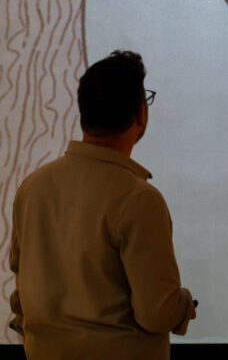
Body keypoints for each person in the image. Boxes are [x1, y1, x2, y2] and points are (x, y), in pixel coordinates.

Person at [8, 50, 196, 358]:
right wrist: (185, 303)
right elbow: (157, 313)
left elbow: (22, 297)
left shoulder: (32, 187)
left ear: (83, 112)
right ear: (141, 114)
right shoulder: (139, 199)